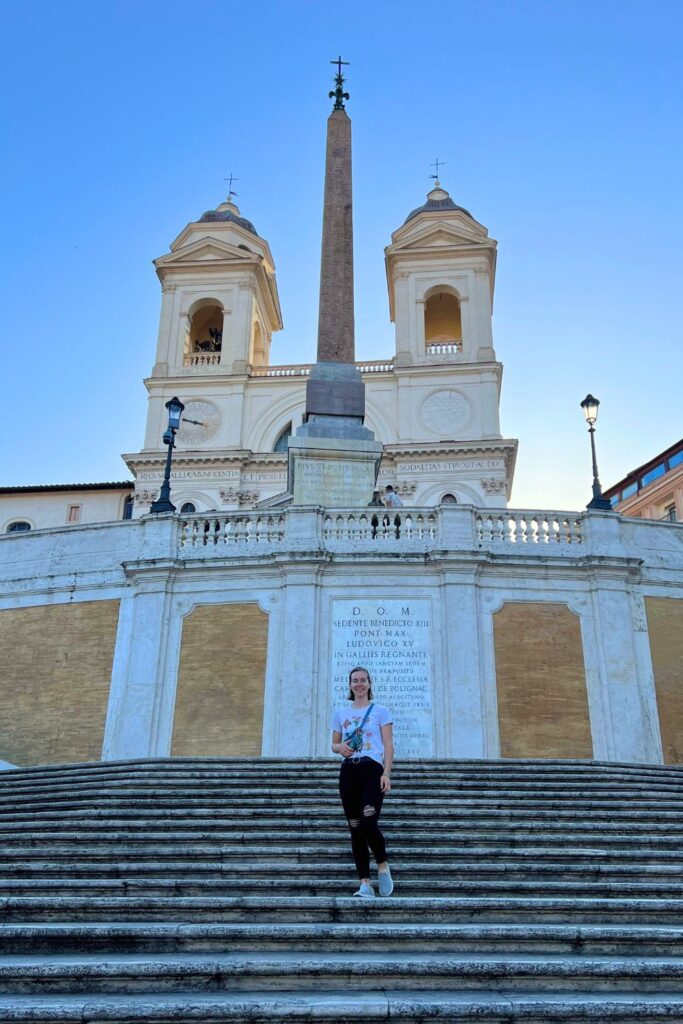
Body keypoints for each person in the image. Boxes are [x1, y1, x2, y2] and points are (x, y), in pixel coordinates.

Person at [331, 666, 394, 898]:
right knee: (355, 827)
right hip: (349, 772)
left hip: (371, 769)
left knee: (368, 820)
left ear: (369, 684)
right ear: (349, 685)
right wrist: (341, 748)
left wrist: (386, 773)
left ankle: (382, 864)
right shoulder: (340, 714)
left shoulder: (380, 711)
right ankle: (365, 884)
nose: (359, 684)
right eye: (355, 681)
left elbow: (388, 744)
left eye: (363, 680)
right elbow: (334, 744)